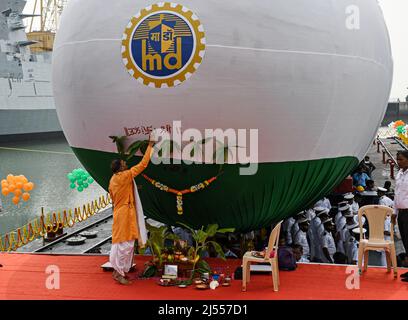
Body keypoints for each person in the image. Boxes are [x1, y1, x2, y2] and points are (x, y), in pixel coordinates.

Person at [108, 136, 156, 285]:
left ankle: (120, 270)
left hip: (120, 212)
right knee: (126, 244)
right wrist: (150, 146)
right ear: (120, 168)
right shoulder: (124, 176)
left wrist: (133, 190)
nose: (126, 164)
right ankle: (118, 272)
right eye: (124, 164)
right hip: (125, 214)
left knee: (122, 243)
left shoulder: (113, 179)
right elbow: (143, 165)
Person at [394, 150, 408, 280]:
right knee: (405, 241)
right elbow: (397, 195)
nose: (399, 162)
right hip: (401, 212)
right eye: (398, 159)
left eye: (401, 159)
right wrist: (394, 212)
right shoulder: (399, 174)